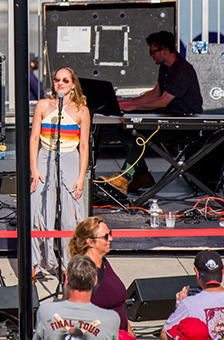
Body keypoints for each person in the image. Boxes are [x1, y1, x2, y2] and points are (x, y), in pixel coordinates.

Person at [102, 31, 203, 194]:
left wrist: (132, 107)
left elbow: (162, 101)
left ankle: (125, 177)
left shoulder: (183, 70)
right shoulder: (165, 67)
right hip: (168, 118)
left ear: (164, 51)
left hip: (184, 124)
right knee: (123, 131)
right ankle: (142, 175)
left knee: (141, 134)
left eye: (152, 51)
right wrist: (127, 102)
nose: (150, 56)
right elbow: (155, 93)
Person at [30, 67, 89, 277]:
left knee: (69, 215)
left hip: (70, 158)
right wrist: (34, 168)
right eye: (57, 80)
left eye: (65, 80)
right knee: (37, 209)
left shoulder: (82, 110)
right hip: (45, 156)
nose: (60, 83)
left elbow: (83, 146)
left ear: (73, 84)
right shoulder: (43, 106)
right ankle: (35, 264)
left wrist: (81, 177)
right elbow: (34, 138)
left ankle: (68, 267)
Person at [160, 250, 224, 340]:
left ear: (197, 273)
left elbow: (165, 335)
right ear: (223, 270)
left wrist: (178, 305)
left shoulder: (188, 304)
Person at [68, 217, 134, 336]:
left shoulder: (104, 263)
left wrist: (131, 334)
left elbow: (118, 306)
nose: (111, 238)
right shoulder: (83, 271)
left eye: (110, 234)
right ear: (90, 242)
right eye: (105, 236)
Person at [33, 255, 120, 340]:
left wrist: (65, 296)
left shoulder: (45, 311)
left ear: (66, 279)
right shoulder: (111, 319)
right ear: (95, 281)